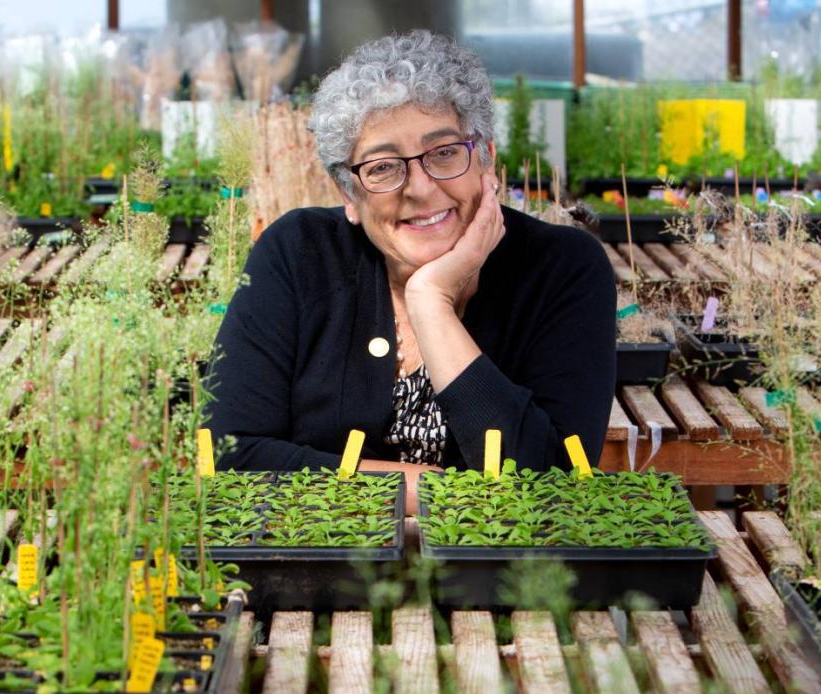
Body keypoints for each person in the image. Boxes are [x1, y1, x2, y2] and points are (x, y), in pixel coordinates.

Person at [205, 29, 615, 511]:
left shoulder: (563, 267)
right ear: (348, 197)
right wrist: (431, 492)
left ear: (487, 159)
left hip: (497, 583)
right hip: (317, 575)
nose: (420, 188)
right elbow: (229, 458)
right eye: (382, 167)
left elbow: (554, 486)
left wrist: (431, 302)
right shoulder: (298, 253)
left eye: (444, 152)